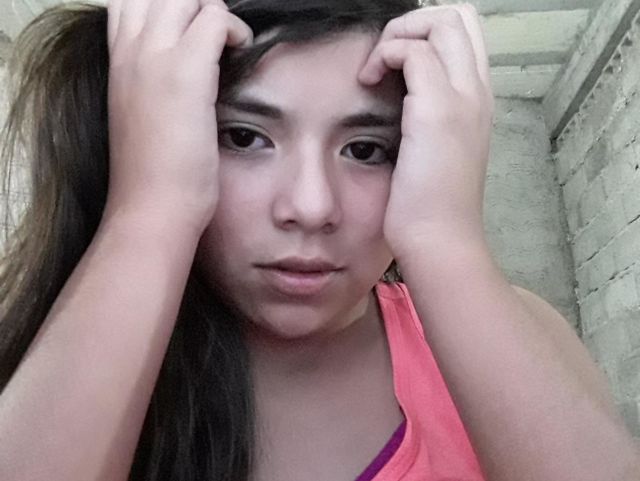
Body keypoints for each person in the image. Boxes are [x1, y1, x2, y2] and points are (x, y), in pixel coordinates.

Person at [0, 0, 638, 480]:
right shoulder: (65, 358)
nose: (311, 207)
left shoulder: (520, 331)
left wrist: (446, 240)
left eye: (366, 149)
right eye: (244, 137)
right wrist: (147, 212)